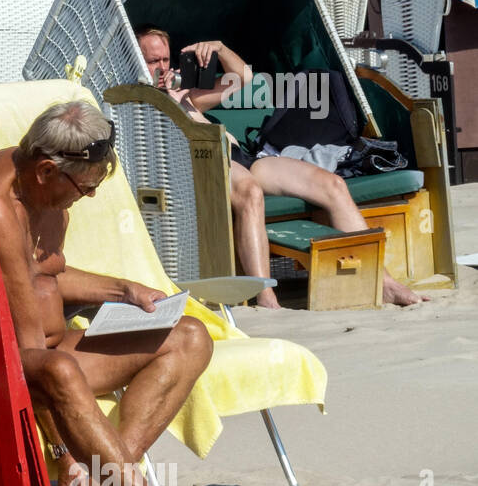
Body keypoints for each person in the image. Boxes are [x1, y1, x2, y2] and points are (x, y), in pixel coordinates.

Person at [0, 102, 239, 486]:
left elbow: (47, 274)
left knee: (191, 336)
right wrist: (63, 457)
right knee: (56, 366)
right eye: (86, 186)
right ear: (45, 169)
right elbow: (30, 354)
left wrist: (123, 290)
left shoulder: (48, 192)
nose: (91, 196)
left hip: (53, 348)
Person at [134, 27, 425, 308]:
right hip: (208, 162)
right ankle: (265, 294)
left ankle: (384, 283)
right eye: (152, 61)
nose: (162, 67)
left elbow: (242, 78)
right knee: (249, 191)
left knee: (332, 184)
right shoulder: (137, 102)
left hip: (242, 157)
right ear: (135, 58)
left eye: (165, 59)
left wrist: (219, 48)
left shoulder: (187, 95)